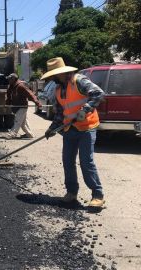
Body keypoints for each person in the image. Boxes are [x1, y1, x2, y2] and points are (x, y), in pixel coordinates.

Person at [41, 57, 105, 208]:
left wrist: (85, 110)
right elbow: (59, 113)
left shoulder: (79, 81)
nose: (51, 78)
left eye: (52, 75)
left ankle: (98, 195)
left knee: (86, 162)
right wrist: (52, 129)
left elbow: (99, 94)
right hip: (69, 129)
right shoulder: (57, 89)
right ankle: (71, 193)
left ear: (60, 73)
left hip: (86, 128)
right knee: (68, 161)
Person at [5, 73, 42, 139]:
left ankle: (12, 134)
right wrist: (7, 104)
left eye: (9, 79)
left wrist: (37, 102)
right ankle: (29, 135)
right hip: (16, 107)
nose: (8, 80)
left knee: (17, 121)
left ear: (13, 79)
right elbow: (8, 96)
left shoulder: (21, 86)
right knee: (23, 123)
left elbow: (30, 94)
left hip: (22, 107)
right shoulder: (11, 86)